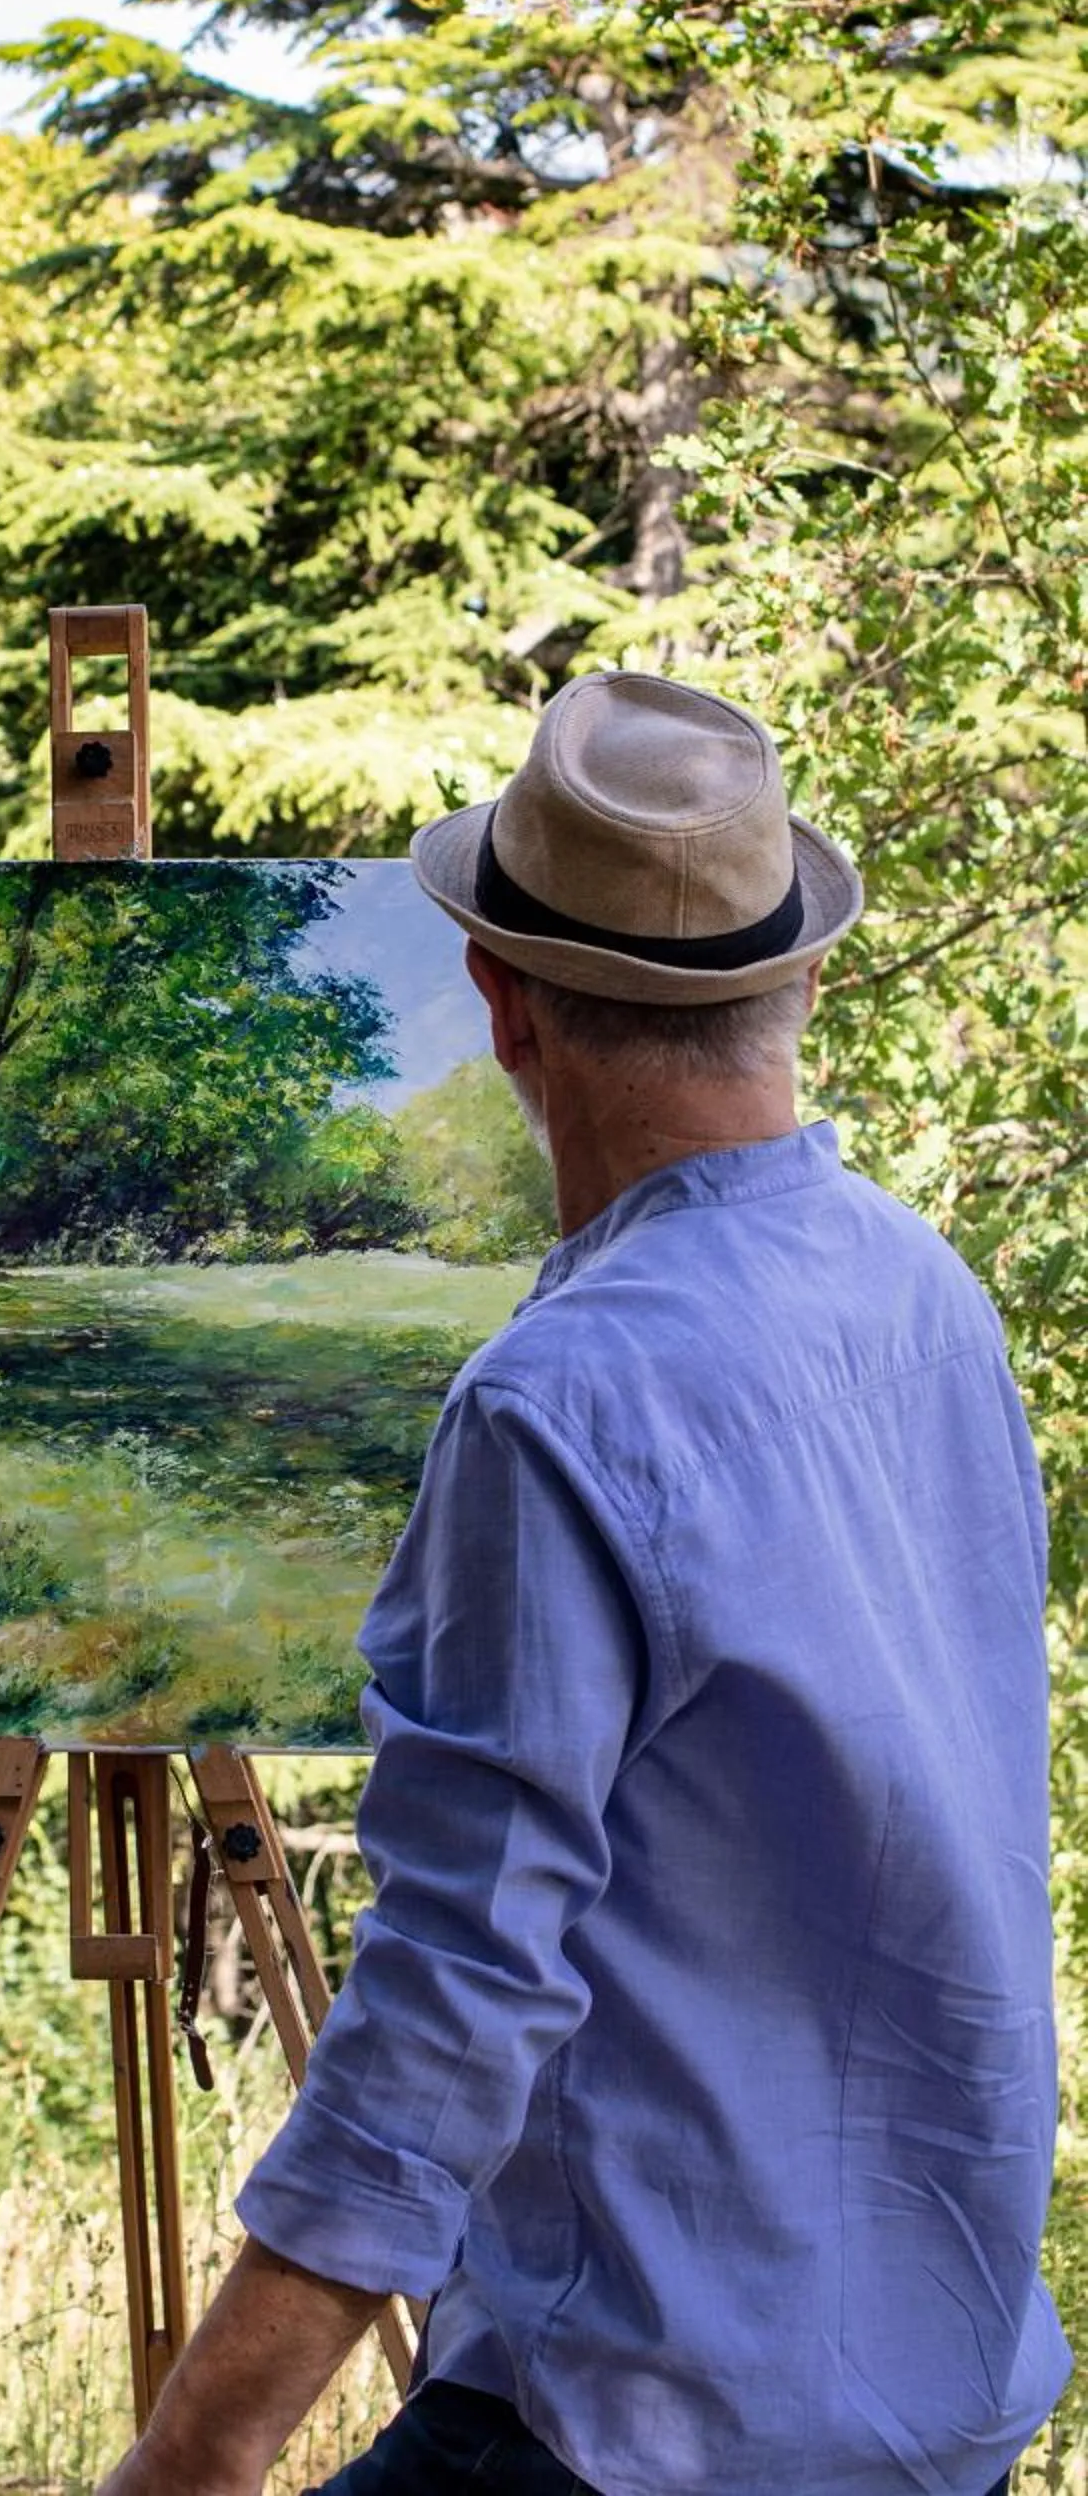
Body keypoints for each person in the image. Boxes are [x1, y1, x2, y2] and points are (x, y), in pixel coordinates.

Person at [105, 672, 1068, 2496]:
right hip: (939, 2406)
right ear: (798, 983)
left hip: (646, 2428)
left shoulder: (555, 1404)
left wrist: (193, 2452)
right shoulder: (923, 1294)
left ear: (499, 1007)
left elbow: (458, 1987)